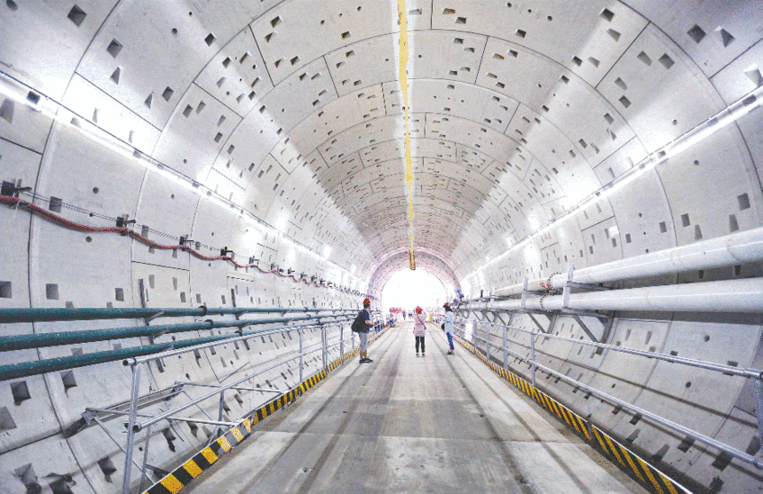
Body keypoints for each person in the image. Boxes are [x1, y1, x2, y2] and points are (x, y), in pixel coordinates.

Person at [357, 298, 375, 363]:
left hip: (360, 330)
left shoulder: (360, 312)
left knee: (363, 344)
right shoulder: (365, 312)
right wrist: (372, 324)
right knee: (364, 345)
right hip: (364, 331)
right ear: (368, 305)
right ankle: (363, 358)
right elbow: (367, 322)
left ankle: (363, 358)